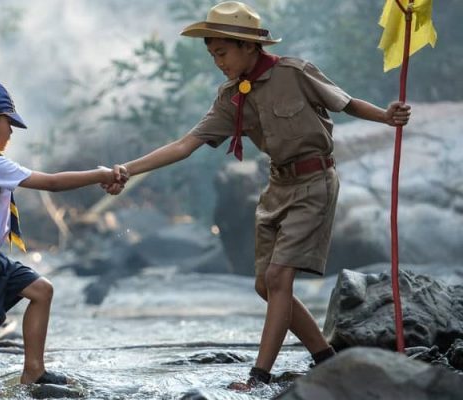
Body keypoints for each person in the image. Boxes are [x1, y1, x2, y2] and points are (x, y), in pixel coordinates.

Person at [102, 1, 411, 391]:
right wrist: (128, 169)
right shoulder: (232, 96)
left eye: (223, 52)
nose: (218, 61)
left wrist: (386, 116)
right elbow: (186, 144)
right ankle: (326, 360)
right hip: (275, 188)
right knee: (265, 285)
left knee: (280, 277)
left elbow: (346, 102)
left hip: (314, 183)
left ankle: (258, 376)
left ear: (250, 46)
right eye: (212, 54)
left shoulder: (294, 72)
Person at [0, 79, 127, 392]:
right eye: (8, 122)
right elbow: (53, 183)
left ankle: (34, 371)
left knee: (41, 290)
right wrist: (99, 174)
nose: (12, 131)